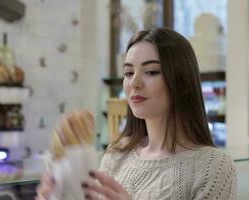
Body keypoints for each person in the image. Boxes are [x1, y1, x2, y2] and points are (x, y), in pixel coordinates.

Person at [36, 27, 237, 200]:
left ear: (182, 82)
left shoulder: (215, 168)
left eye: (151, 72)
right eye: (129, 73)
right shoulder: (116, 155)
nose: (134, 83)